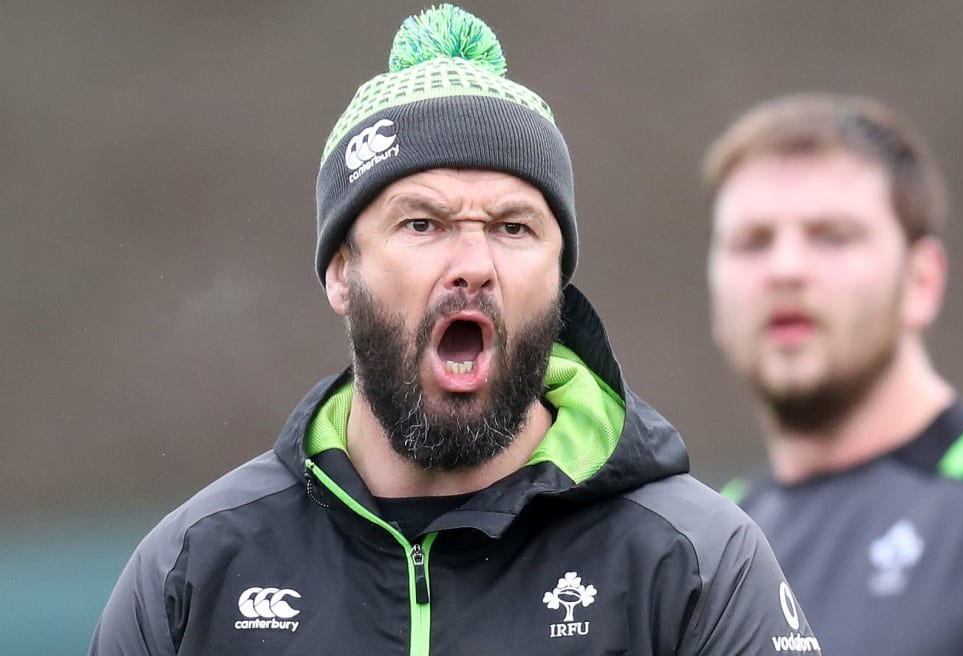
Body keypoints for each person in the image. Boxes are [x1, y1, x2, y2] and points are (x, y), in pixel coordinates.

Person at [90, 6, 821, 655]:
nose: (472, 265)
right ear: (342, 272)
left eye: (512, 227)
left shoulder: (693, 561)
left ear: (558, 276)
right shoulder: (194, 570)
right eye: (422, 223)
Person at [702, 91, 963, 656]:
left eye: (832, 236)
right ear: (715, 296)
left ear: (922, 282)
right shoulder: (707, 540)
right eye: (753, 243)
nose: (785, 270)